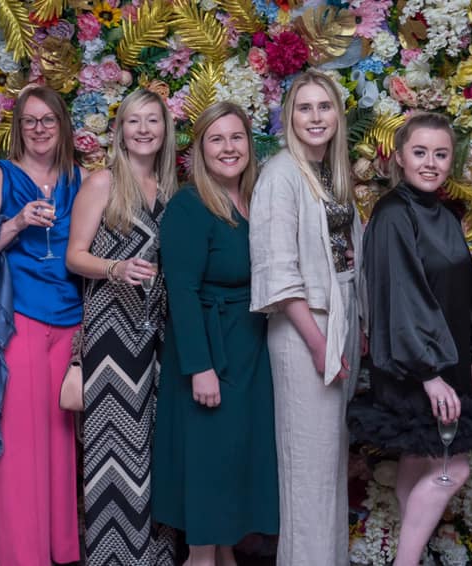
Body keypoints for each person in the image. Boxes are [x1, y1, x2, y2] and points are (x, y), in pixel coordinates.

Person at [344, 112, 472, 566]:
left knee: (420, 460)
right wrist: (429, 374)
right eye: (420, 153)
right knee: (451, 468)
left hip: (448, 364)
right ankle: (406, 561)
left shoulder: (445, 215)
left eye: (440, 154)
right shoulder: (395, 214)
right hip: (417, 367)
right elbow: (398, 299)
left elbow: (466, 291)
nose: (430, 163)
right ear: (399, 158)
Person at [0, 84, 86, 566]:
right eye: (30, 120)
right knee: (19, 441)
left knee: (59, 438)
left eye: (48, 120)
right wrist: (15, 224)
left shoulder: (80, 178)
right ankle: (21, 554)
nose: (39, 129)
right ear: (18, 127)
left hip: (72, 321)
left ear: (62, 125)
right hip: (19, 321)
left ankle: (59, 548)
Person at [152, 102, 279, 566]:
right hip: (210, 350)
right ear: (200, 151)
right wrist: (200, 368)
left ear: (250, 143)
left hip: (249, 348)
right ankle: (201, 558)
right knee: (208, 472)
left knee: (231, 468)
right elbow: (181, 293)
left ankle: (223, 555)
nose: (229, 148)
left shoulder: (256, 198)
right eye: (217, 139)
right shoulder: (190, 206)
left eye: (237, 137)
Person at [248, 69, 367, 566]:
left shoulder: (329, 174)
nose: (316, 117)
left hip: (339, 318)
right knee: (308, 475)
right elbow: (278, 269)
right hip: (306, 330)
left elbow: (347, 258)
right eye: (305, 108)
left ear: (338, 116)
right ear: (288, 117)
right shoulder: (280, 174)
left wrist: (356, 330)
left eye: (325, 107)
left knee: (328, 471)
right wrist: (321, 346)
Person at [66, 88, 178, 565]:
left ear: (165, 130)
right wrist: (114, 268)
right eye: (134, 121)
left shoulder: (173, 189)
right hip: (112, 335)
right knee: (114, 455)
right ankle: (115, 557)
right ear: (120, 131)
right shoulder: (103, 183)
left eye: (153, 120)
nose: (144, 129)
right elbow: (75, 256)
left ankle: (154, 556)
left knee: (155, 450)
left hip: (159, 335)